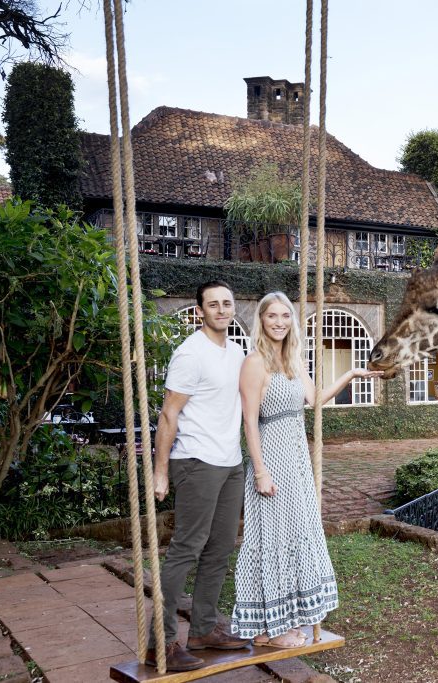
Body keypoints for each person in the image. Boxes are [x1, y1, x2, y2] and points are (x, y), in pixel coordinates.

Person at [230, 292, 382, 648]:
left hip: (296, 458)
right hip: (271, 457)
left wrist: (351, 374)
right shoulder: (255, 363)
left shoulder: (293, 361)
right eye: (272, 316)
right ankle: (270, 629)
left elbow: (314, 400)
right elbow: (249, 422)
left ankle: (283, 622)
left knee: (297, 533)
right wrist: (261, 471)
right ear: (262, 320)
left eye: (285, 316)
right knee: (272, 539)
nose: (280, 322)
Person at [148, 281, 250, 671]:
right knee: (186, 549)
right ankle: (164, 642)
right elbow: (168, 415)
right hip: (195, 461)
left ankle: (204, 629)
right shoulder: (189, 354)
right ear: (199, 312)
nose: (221, 310)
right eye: (213, 305)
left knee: (221, 547)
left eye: (227, 303)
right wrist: (161, 473)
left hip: (229, 462)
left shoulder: (236, 351)